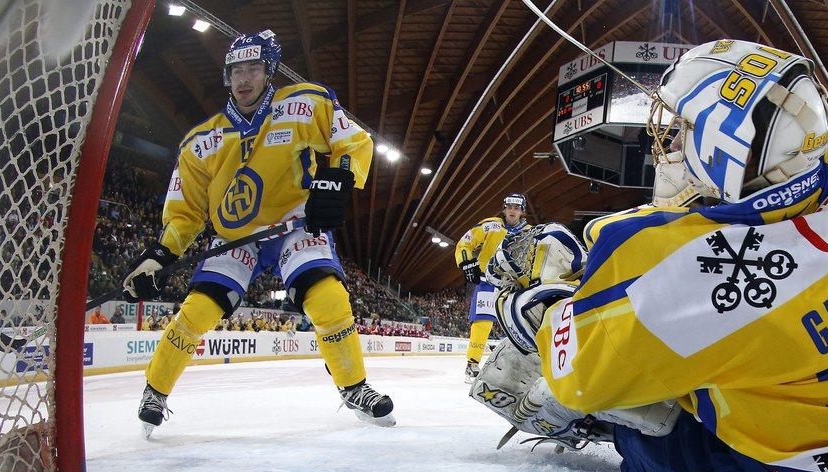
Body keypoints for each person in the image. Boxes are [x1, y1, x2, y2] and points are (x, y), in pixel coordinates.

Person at [490, 40, 828, 472]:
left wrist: (546, 310)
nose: (671, 142)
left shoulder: (686, 271)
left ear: (726, 147)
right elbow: (804, 137)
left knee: (600, 389)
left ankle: (626, 440)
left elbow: (579, 377)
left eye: (682, 130)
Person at [122, 30, 394, 437]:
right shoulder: (200, 143)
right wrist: (159, 254)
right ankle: (154, 391)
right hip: (236, 236)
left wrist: (337, 178)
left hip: (294, 223)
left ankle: (354, 387)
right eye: (236, 71)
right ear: (227, 77)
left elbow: (353, 142)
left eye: (253, 69)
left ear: (269, 72)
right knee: (197, 311)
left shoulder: (303, 104)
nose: (244, 79)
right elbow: (186, 213)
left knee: (328, 299)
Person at [454, 192, 530, 382]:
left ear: (522, 211)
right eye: (510, 207)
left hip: (513, 285)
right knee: (483, 322)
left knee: (517, 324)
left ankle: (515, 366)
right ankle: (472, 364)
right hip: (487, 281)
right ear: (504, 209)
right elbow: (465, 242)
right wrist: (466, 263)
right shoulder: (490, 225)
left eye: (517, 208)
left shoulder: (530, 232)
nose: (513, 211)